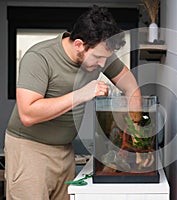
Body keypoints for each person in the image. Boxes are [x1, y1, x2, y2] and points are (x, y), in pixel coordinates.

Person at [4, 5, 141, 200]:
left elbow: (132, 88)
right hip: (29, 150)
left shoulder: (100, 52)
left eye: (106, 58)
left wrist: (134, 136)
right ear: (79, 44)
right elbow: (28, 114)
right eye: (99, 58)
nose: (103, 65)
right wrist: (81, 94)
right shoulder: (39, 57)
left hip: (66, 151)